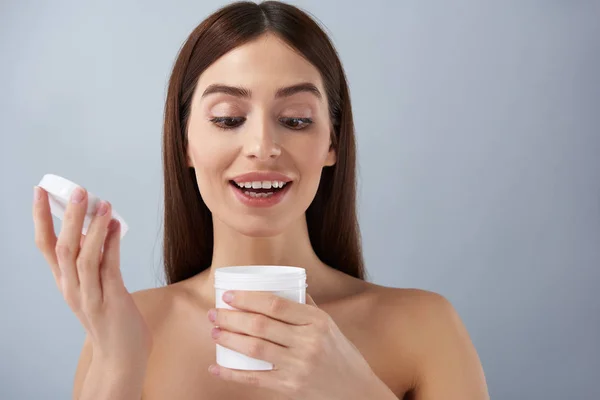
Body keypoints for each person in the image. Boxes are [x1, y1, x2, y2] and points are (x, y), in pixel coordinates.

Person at [32, 1, 489, 399]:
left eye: (294, 120)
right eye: (229, 119)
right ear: (184, 143)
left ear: (333, 143)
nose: (261, 146)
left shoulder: (426, 327)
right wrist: (118, 361)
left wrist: (357, 390)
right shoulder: (124, 329)